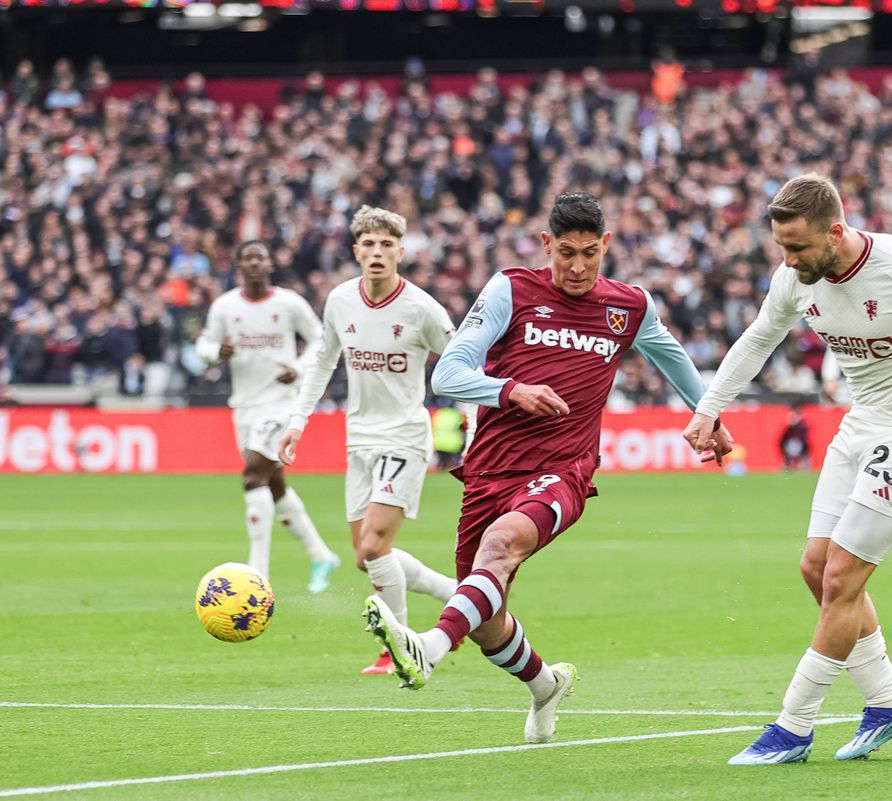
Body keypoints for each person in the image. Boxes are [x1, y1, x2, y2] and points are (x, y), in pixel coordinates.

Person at [363, 191, 732, 744]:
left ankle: (428, 647)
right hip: (490, 469)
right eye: (566, 253)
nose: (579, 266)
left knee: (503, 545)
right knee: (489, 623)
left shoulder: (628, 306)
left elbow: (670, 354)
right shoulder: (511, 290)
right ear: (546, 244)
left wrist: (709, 413)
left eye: (590, 253)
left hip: (565, 468)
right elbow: (447, 377)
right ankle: (546, 685)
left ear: (606, 244)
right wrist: (511, 390)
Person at [683, 173, 892, 765]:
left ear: (837, 231)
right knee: (817, 568)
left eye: (798, 248)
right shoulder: (795, 278)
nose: (788, 260)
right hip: (862, 424)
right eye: (781, 247)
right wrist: (709, 409)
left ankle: (793, 728)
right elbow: (757, 339)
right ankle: (888, 701)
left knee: (843, 578)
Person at [278, 206, 458, 675]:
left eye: (386, 245)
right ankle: (457, 595)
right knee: (367, 558)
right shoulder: (340, 300)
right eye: (369, 245)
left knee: (376, 548)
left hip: (404, 437)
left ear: (401, 252)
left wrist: (476, 428)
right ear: (357, 251)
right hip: (358, 439)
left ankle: (399, 647)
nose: (377, 253)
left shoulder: (421, 309)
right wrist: (299, 420)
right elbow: (322, 361)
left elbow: (464, 361)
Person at [196, 240, 340, 594]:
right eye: (248, 258)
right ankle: (321, 554)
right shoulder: (224, 306)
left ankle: (257, 572)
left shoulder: (289, 303)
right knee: (273, 484)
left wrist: (299, 367)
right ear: (239, 265)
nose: (255, 263)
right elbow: (202, 347)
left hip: (282, 404)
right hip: (244, 406)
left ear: (270, 263)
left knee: (252, 476)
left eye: (261, 256)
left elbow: (322, 339)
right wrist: (217, 352)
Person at [779, 402, 811, 471]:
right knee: (790, 448)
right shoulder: (790, 427)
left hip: (800, 445)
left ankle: (803, 464)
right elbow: (782, 440)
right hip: (791, 445)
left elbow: (804, 437)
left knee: (803, 449)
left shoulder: (802, 424)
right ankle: (788, 464)